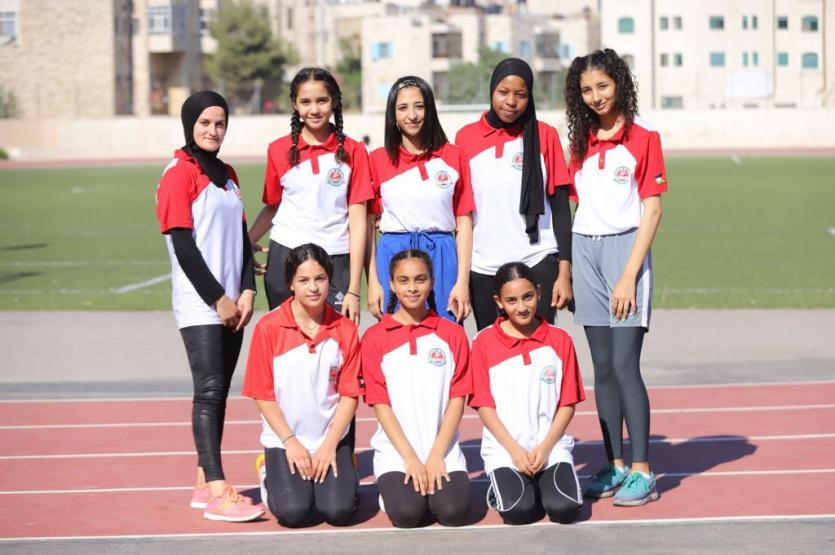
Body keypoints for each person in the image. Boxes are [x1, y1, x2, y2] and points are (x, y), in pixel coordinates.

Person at [154, 90, 264, 522]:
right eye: (204, 123)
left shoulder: (228, 175)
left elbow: (241, 238)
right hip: (201, 304)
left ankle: (204, 482)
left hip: (233, 303)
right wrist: (217, 298)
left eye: (220, 123)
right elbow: (182, 245)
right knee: (209, 391)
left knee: (220, 394)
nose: (213, 131)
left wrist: (246, 291)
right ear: (189, 124)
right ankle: (219, 490)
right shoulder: (177, 173)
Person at [564, 48, 667, 506]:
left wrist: (628, 276)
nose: (596, 96)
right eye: (586, 90)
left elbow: (653, 210)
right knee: (602, 368)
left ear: (619, 83)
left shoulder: (644, 137)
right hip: (584, 249)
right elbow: (577, 204)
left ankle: (643, 471)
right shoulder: (580, 140)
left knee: (625, 365)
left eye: (602, 86)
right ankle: (615, 463)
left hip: (626, 253)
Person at [242, 243, 362, 527]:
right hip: (286, 439)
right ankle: (268, 472)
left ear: (329, 279)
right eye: (304, 280)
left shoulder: (345, 329)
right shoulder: (268, 328)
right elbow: (262, 394)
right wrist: (291, 443)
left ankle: (346, 466)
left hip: (330, 438)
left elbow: (350, 395)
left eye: (320, 278)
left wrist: (330, 444)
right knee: (294, 512)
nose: (313, 287)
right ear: (291, 284)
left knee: (338, 511)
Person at [455, 58, 573, 330]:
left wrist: (565, 270)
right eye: (503, 92)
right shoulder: (465, 138)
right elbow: (461, 210)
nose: (511, 101)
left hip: (537, 259)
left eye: (520, 94)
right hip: (483, 266)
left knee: (537, 346)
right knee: (493, 350)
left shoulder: (545, 135)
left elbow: (561, 209)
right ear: (492, 91)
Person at [248, 67, 372, 323]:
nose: (314, 109)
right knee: (287, 339)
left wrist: (354, 289)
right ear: (295, 105)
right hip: (285, 257)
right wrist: (246, 241)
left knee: (335, 340)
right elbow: (274, 206)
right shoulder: (278, 149)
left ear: (334, 101)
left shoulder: (354, 150)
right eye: (305, 102)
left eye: (322, 100)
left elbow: (359, 220)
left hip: (336, 259)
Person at [361, 249, 472, 528]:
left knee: (452, 512)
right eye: (404, 280)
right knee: (407, 514)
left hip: (442, 449)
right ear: (392, 284)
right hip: (397, 452)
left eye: (420, 279)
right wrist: (409, 457)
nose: (412, 288)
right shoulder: (374, 338)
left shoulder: (453, 333)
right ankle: (391, 491)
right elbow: (380, 403)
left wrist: (437, 454)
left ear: (432, 282)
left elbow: (457, 398)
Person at [470, 262, 585, 525]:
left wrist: (544, 449)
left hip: (549, 447)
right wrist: (514, 451)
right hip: (506, 450)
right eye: (511, 300)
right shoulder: (483, 342)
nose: (521, 307)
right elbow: (484, 405)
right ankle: (503, 484)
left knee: (565, 509)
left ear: (539, 292)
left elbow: (568, 403)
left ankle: (543, 484)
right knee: (519, 512)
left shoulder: (560, 339)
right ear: (499, 302)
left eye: (528, 297)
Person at [366, 76, 474, 323]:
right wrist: (373, 281)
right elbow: (369, 225)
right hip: (393, 252)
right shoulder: (377, 159)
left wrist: (462, 282)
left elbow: (464, 222)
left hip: (442, 253)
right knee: (396, 336)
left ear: (430, 109)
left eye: (419, 106)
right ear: (393, 114)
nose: (412, 115)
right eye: (403, 108)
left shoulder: (454, 156)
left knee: (446, 333)